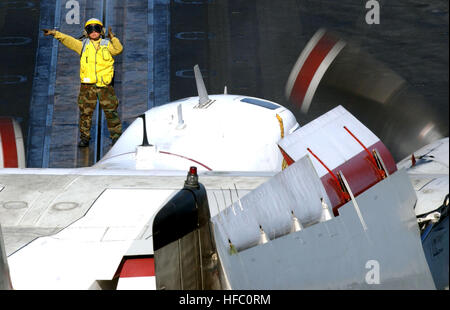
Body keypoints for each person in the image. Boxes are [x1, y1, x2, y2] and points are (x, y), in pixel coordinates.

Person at [43, 18, 123, 147]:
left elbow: (118, 50)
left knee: (111, 112)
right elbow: (68, 40)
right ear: (86, 32)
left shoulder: (107, 44)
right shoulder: (83, 45)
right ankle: (85, 138)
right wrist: (55, 33)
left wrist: (113, 38)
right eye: (90, 29)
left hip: (105, 86)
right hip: (87, 87)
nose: (94, 32)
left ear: (101, 31)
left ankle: (116, 137)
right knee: (85, 114)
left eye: (97, 29)